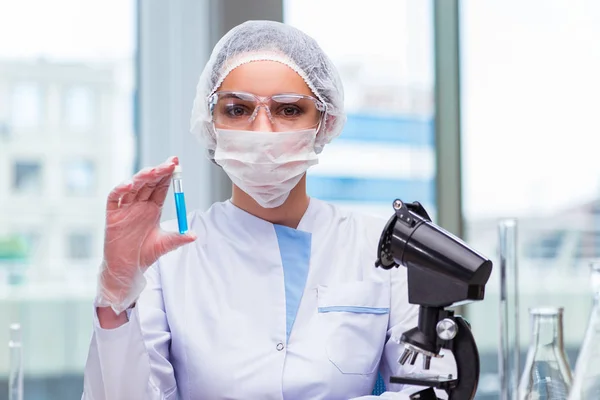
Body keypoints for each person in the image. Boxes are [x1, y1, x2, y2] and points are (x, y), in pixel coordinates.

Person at [82, 20, 456, 400]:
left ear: (324, 122)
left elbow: (432, 390)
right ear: (211, 123)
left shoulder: (382, 249)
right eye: (237, 108)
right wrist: (117, 295)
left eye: (289, 110)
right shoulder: (169, 255)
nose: (262, 131)